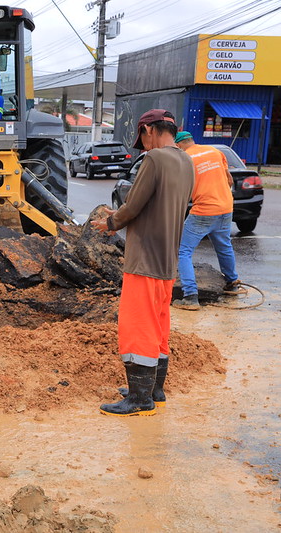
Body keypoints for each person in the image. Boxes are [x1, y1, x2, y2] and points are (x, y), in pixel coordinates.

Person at [91, 109, 194, 417]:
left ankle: (139, 400)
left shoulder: (154, 160)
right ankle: (155, 391)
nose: (143, 146)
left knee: (138, 328)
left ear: (150, 129)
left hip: (144, 259)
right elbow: (164, 205)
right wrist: (121, 215)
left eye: (143, 138)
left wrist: (111, 223)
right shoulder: (186, 161)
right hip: (167, 262)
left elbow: (133, 205)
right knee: (159, 326)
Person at [172, 131, 247, 310]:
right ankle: (232, 283)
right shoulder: (215, 152)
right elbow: (228, 180)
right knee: (224, 245)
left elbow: (180, 189)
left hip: (204, 209)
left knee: (183, 251)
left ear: (179, 145)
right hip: (226, 207)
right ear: (192, 140)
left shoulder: (184, 159)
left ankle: (190, 297)